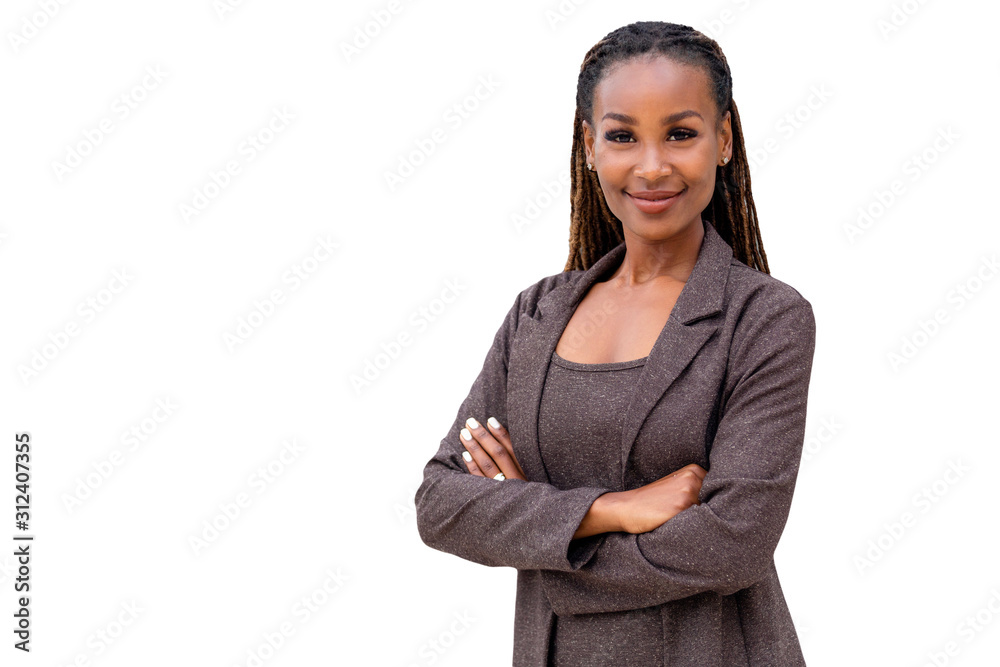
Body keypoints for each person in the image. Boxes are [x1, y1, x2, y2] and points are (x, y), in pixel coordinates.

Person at [414, 20, 817, 667]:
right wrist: (614, 509)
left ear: (723, 140)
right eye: (623, 135)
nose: (651, 165)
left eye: (680, 134)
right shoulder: (537, 313)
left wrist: (540, 533)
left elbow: (733, 543)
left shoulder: (766, 318)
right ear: (590, 145)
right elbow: (441, 503)